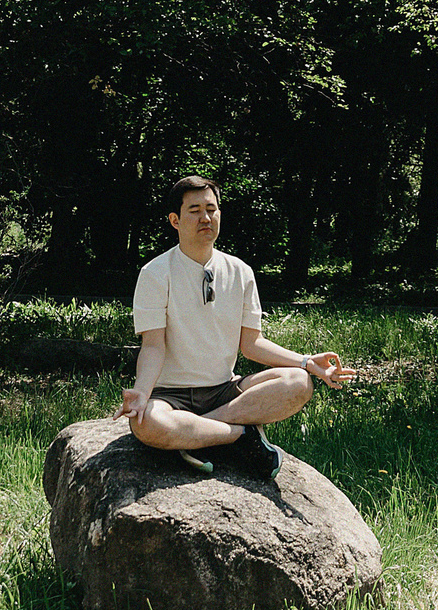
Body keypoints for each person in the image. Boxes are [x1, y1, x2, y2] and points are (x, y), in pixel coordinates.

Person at [118, 174, 356, 478]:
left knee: (298, 382)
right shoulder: (155, 273)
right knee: (146, 424)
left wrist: (308, 362)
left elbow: (252, 344)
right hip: (169, 395)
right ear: (175, 220)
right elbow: (153, 345)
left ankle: (196, 437)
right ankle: (238, 435)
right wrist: (141, 393)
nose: (205, 217)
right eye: (194, 210)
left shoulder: (240, 271)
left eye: (211, 209)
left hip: (225, 390)